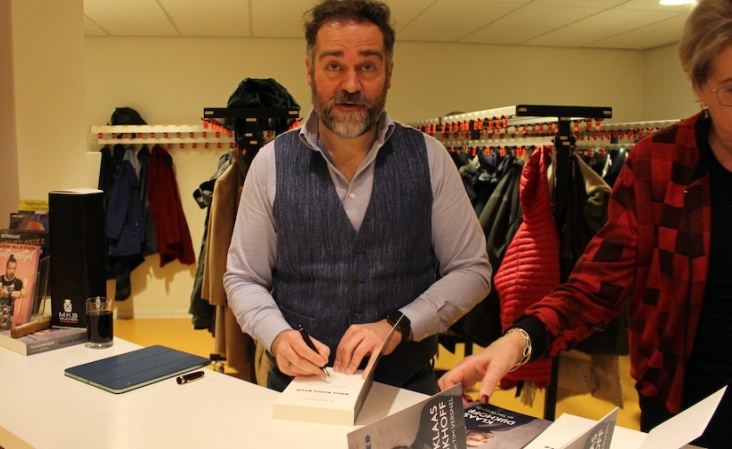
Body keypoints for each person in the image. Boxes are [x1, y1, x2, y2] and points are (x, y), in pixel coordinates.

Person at [438, 0, 732, 446]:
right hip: (685, 400)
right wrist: (519, 339)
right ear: (699, 86)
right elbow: (596, 284)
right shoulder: (659, 165)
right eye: (731, 88)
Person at [224, 0, 491, 395]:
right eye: (334, 66)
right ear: (310, 71)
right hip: (296, 389)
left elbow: (471, 270)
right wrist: (277, 335)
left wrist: (399, 324)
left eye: (367, 67)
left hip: (406, 387)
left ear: (389, 73)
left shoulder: (431, 158)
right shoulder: (269, 163)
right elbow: (243, 277)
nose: (351, 85)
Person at [0, 254, 26, 330]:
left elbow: (24, 293)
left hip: (7, 320)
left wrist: (9, 293)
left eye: (14, 269)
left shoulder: (17, 282)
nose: (12, 271)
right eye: (10, 268)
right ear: (6, 268)